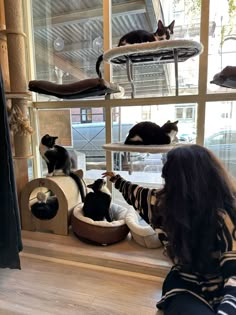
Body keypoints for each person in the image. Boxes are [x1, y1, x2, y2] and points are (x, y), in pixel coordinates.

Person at [102, 144, 236, 315]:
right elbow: (136, 193)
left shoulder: (226, 215)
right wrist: (117, 180)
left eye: (170, 181)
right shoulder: (163, 204)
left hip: (224, 287)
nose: (165, 186)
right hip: (185, 286)